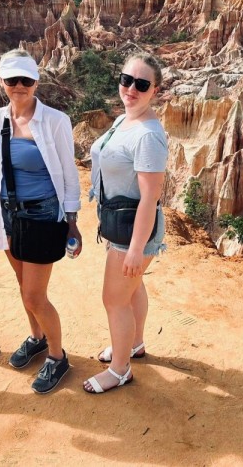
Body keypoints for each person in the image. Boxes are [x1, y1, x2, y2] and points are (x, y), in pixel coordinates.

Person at [0, 49, 82, 394]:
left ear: (37, 82)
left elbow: (69, 174)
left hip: (42, 214)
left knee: (34, 295)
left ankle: (57, 356)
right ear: (2, 82)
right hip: (8, 214)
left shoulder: (54, 120)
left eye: (26, 80)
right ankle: (37, 338)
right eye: (12, 80)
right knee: (22, 285)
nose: (19, 86)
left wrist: (71, 220)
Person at [84, 53, 168, 394]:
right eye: (126, 80)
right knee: (132, 289)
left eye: (142, 84)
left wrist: (135, 248)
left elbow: (150, 197)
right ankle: (133, 344)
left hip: (134, 229)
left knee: (114, 299)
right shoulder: (125, 120)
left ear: (155, 90)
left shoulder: (147, 135)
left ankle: (120, 370)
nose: (131, 89)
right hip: (121, 223)